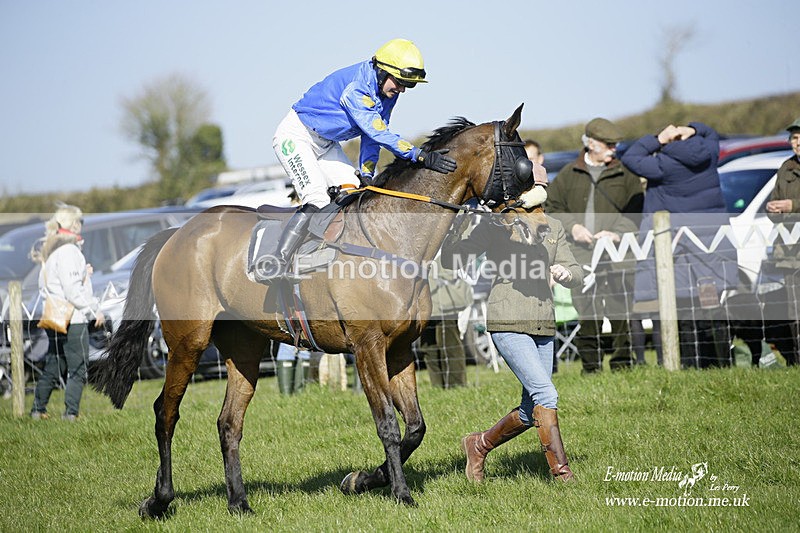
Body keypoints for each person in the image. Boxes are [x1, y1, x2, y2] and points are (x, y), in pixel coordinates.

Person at [267, 38, 457, 282]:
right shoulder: (357, 88)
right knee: (316, 198)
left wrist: (367, 173)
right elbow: (378, 132)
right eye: (401, 82)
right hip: (296, 137)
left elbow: (371, 137)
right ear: (382, 71)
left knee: (354, 193)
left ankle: (331, 258)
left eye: (409, 85)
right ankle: (277, 262)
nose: (402, 90)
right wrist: (419, 155)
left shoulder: (386, 92)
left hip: (326, 145)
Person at [442, 167, 583, 482]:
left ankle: (478, 445)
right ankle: (561, 473)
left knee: (529, 409)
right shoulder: (496, 225)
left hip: (544, 323)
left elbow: (576, 271)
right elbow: (453, 259)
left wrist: (565, 273)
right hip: (507, 319)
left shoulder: (554, 227)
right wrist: (460, 226)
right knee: (546, 394)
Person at [622, 122, 738, 368]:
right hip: (709, 245)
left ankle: (691, 363)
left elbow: (631, 157)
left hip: (680, 246)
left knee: (684, 307)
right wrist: (694, 129)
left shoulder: (664, 164)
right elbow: (712, 132)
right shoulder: (709, 153)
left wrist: (658, 137)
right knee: (710, 303)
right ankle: (723, 362)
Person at [545, 118, 643, 373]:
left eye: (615, 144)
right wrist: (573, 227)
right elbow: (553, 208)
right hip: (581, 256)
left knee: (620, 312)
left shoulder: (626, 175)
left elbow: (636, 212)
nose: (614, 149)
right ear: (590, 143)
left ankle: (623, 366)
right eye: (608, 144)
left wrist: (617, 233)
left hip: (617, 255)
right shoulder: (568, 174)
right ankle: (591, 368)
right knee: (587, 314)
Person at [29, 204, 105, 421]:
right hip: (74, 318)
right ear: (74, 224)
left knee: (54, 363)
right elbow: (73, 290)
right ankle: (71, 413)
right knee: (79, 366)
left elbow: (49, 286)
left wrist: (84, 275)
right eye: (80, 221)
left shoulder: (51, 251)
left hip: (55, 316)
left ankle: (37, 409)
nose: (81, 225)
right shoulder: (69, 251)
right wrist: (93, 310)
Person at [765, 117, 800, 365]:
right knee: (794, 312)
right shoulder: (785, 168)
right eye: (794, 138)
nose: (797, 142)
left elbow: (791, 205)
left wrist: (793, 206)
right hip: (790, 255)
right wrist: (773, 208)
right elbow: (775, 202)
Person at [419, 260, 470, 388]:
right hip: (425, 302)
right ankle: (437, 386)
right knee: (428, 346)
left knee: (449, 345)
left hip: (445, 302)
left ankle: (457, 385)